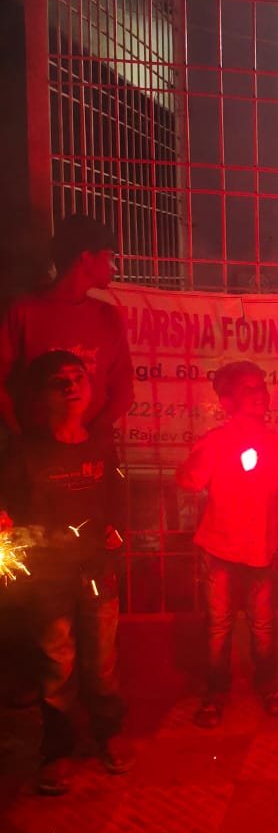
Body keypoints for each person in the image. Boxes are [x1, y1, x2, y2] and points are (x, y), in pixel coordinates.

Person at [0, 351, 130, 795]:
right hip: (48, 578)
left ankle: (108, 734)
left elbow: (117, 495)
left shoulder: (101, 445)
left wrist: (116, 531)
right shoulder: (25, 452)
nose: (71, 386)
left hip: (97, 571)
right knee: (57, 665)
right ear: (41, 395)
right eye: (59, 381)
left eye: (78, 377)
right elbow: (8, 506)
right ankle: (57, 750)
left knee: (103, 662)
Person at [176, 361, 278, 728]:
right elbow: (190, 481)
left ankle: (267, 683)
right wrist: (201, 459)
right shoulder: (216, 441)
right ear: (227, 402)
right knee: (218, 624)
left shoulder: (277, 445)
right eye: (248, 389)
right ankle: (216, 691)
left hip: (261, 547)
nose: (258, 394)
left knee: (263, 623)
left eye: (261, 386)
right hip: (220, 547)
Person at [0, 215, 134, 433]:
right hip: (38, 446)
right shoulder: (25, 312)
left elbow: (124, 391)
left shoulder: (108, 316)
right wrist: (18, 435)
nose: (115, 268)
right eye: (109, 257)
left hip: (93, 447)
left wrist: (89, 437)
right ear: (86, 258)